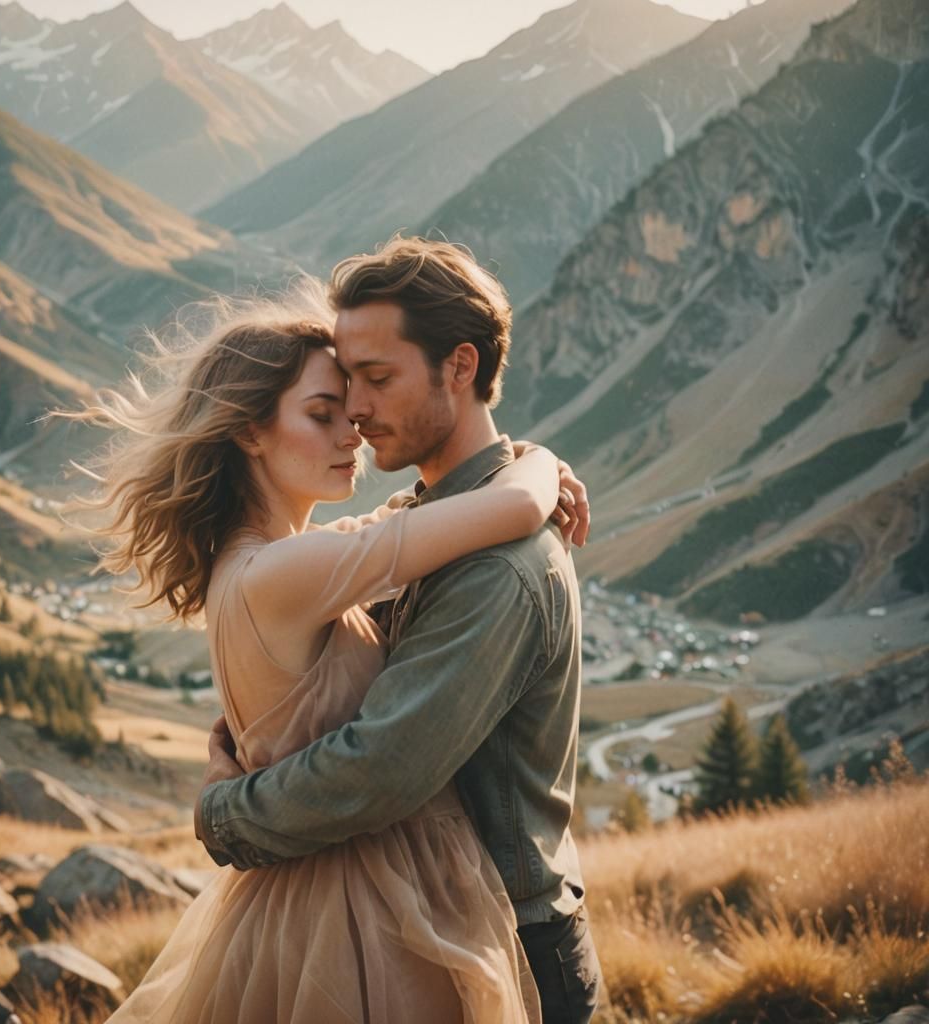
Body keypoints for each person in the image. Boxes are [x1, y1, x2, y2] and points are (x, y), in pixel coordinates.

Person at [65, 281, 583, 1022]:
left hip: (325, 898)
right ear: (249, 431)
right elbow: (517, 508)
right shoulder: (282, 574)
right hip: (363, 914)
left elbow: (401, 519)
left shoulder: (273, 561)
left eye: (358, 401)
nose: (354, 432)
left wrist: (525, 461)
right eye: (323, 413)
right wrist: (541, 461)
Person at [196, 237, 603, 1023]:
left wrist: (225, 814)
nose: (355, 409)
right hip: (425, 935)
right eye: (343, 387)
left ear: (459, 367)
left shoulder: (498, 569)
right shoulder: (431, 522)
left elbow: (380, 767)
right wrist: (537, 458)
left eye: (375, 380)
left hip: (510, 947)